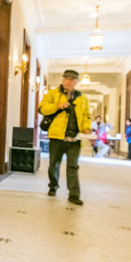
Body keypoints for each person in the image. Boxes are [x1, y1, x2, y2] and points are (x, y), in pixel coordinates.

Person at [38, 70, 92, 205]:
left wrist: (86, 127)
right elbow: (42, 109)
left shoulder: (82, 98)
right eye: (66, 78)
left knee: (73, 166)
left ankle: (74, 195)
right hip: (57, 137)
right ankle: (53, 186)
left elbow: (86, 116)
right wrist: (57, 106)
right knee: (53, 165)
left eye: (71, 79)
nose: (68, 81)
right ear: (62, 79)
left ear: (76, 82)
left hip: (74, 139)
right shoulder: (52, 94)